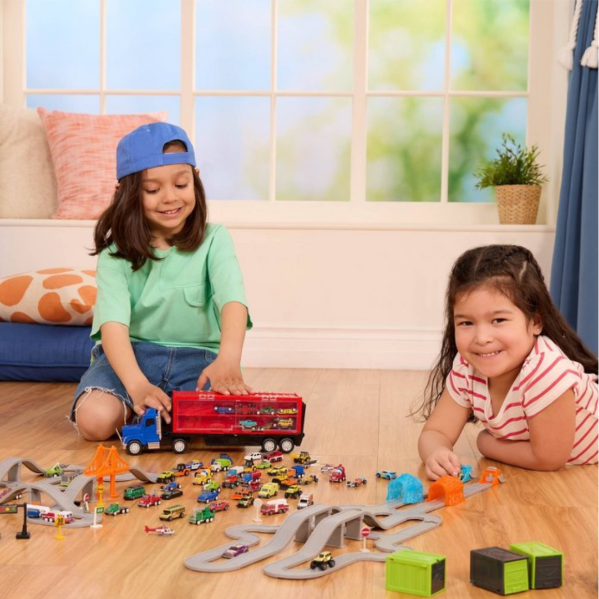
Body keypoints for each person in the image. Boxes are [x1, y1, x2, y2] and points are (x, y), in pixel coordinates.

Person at [70, 122, 253, 441]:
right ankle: (144, 408)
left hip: (198, 361)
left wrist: (228, 359)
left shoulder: (215, 239)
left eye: (181, 184)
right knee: (94, 422)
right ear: (126, 194)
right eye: (153, 190)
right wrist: (136, 385)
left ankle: (159, 413)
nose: (170, 198)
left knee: (226, 426)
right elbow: (113, 327)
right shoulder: (115, 255)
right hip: (131, 358)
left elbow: (233, 301)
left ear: (195, 181)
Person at [416, 244, 599, 480]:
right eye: (466, 323)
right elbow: (435, 432)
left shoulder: (547, 372)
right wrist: (436, 452)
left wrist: (485, 443)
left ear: (535, 322)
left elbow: (548, 458)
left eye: (499, 320)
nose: (482, 338)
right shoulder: (467, 367)